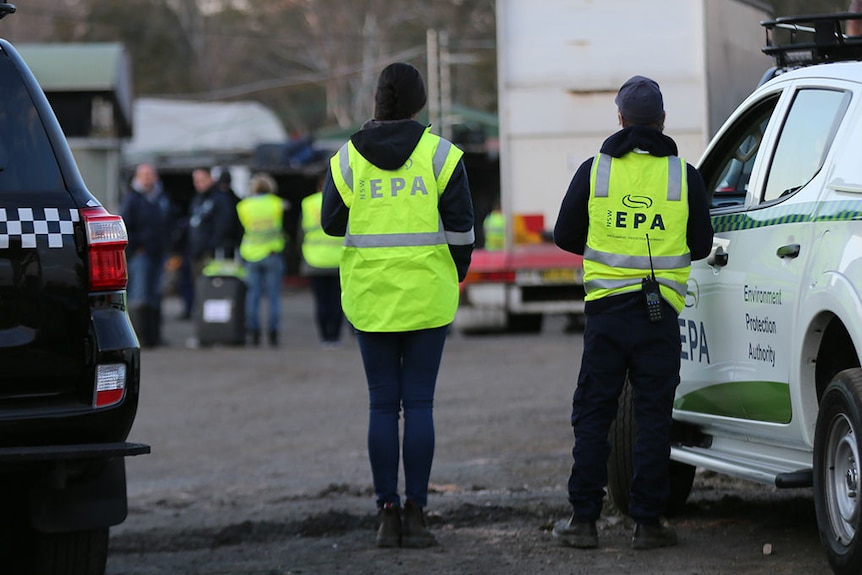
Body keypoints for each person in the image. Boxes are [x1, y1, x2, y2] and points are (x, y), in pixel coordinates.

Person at [551, 75, 714, 550]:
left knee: (594, 414)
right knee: (653, 415)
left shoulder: (595, 170)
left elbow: (564, 234)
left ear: (619, 119)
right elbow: (701, 245)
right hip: (658, 314)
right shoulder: (683, 175)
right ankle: (647, 522)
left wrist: (604, 244)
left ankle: (583, 521)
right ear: (663, 121)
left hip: (606, 314)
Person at [321, 62, 474, 549]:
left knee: (383, 405)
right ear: (420, 101)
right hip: (428, 297)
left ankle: (386, 513)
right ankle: (418, 513)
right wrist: (455, 274)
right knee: (421, 404)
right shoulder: (442, 156)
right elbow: (463, 233)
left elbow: (329, 223)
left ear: (377, 99)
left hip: (370, 299)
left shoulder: (347, 158)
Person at [120, 163, 173, 347]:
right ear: (137, 177)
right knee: (140, 295)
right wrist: (136, 246)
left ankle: (154, 336)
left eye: (151, 174)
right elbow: (125, 225)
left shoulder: (161, 198)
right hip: (141, 254)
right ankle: (139, 337)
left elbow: (168, 224)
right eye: (144, 174)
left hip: (159, 253)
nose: (148, 178)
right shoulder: (132, 200)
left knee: (156, 295)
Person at [236, 173, 288, 346]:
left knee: (253, 296)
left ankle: (254, 333)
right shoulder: (277, 203)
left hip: (251, 255)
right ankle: (273, 334)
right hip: (272, 254)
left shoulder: (244, 206)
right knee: (273, 297)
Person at [300, 177, 344, 345]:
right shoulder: (342, 199)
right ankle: (335, 337)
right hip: (338, 259)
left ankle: (324, 336)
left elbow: (301, 233)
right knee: (337, 301)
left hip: (314, 259)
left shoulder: (308, 203)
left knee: (321, 301)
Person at [188, 167, 234, 281]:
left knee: (210, 289)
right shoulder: (197, 198)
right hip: (196, 251)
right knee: (198, 287)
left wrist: (212, 245)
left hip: (212, 253)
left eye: (202, 180)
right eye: (196, 180)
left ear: (211, 179)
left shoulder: (219, 198)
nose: (198, 184)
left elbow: (224, 225)